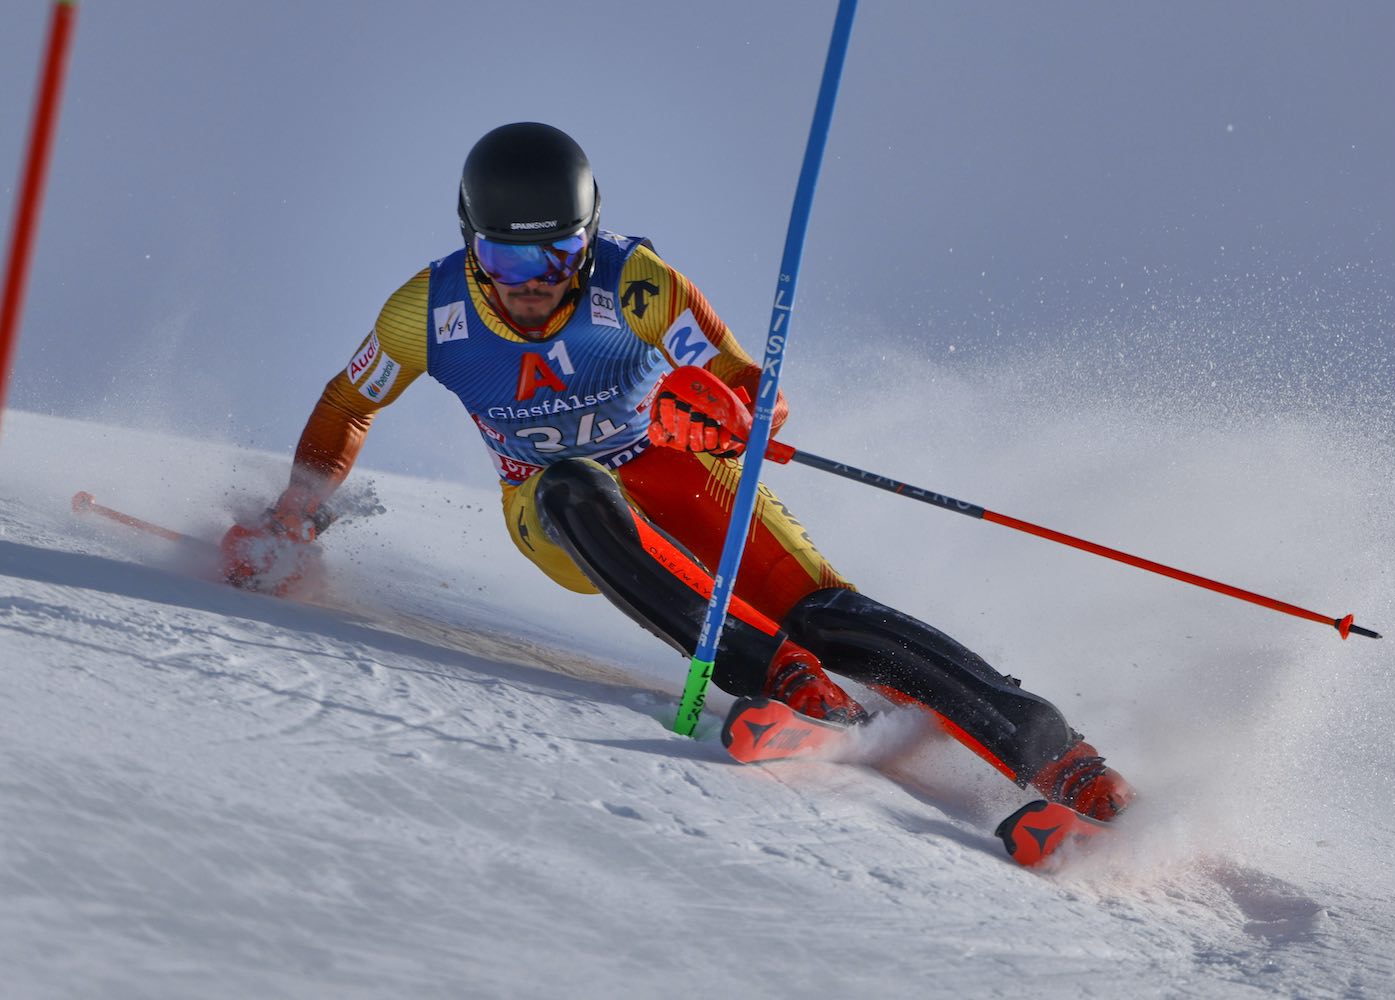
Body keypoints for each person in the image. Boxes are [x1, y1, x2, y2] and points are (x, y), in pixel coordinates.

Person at [221, 122, 1134, 822]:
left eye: (556, 256)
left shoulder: (639, 284)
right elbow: (349, 404)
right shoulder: (427, 313)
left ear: (589, 239)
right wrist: (297, 512)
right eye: (505, 257)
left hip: (665, 464)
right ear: (472, 244)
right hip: (552, 505)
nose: (532, 283)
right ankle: (773, 678)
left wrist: (726, 410)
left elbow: (751, 385)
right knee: (575, 484)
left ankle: (1063, 761)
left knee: (826, 612)